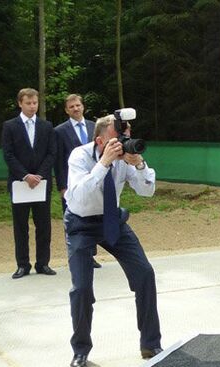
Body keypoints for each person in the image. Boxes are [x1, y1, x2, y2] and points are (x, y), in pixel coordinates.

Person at [64, 115, 162, 367]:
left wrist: (138, 164)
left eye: (125, 137)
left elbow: (147, 191)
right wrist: (104, 164)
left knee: (145, 274)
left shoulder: (125, 156)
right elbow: (77, 197)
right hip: (81, 223)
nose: (122, 143)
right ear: (99, 141)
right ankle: (81, 350)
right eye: (116, 140)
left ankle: (151, 344)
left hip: (112, 220)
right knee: (82, 289)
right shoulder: (80, 156)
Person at [1, 88, 57, 279]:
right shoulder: (10, 126)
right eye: (28, 103)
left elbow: (51, 153)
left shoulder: (46, 126)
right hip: (20, 184)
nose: (32, 106)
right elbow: (8, 154)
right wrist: (25, 176)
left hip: (41, 184)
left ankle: (43, 263)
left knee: (43, 225)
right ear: (20, 103)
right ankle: (22, 265)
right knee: (20, 226)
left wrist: (39, 175)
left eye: (35, 103)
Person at [54, 94, 101, 269]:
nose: (75, 108)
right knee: (73, 219)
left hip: (94, 181)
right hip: (71, 183)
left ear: (83, 107)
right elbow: (58, 161)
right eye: (71, 106)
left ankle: (91, 255)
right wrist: (62, 186)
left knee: (92, 216)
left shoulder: (94, 127)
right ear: (67, 110)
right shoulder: (59, 131)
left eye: (78, 105)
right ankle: (75, 255)